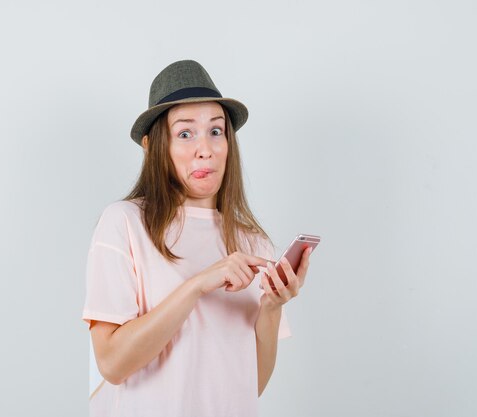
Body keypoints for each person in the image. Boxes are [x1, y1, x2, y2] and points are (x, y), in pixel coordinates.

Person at [82, 60, 314, 417]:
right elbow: (112, 364)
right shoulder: (124, 223)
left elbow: (251, 386)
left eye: (216, 131)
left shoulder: (251, 242)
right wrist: (197, 285)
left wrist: (271, 307)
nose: (204, 149)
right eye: (185, 133)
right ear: (152, 145)